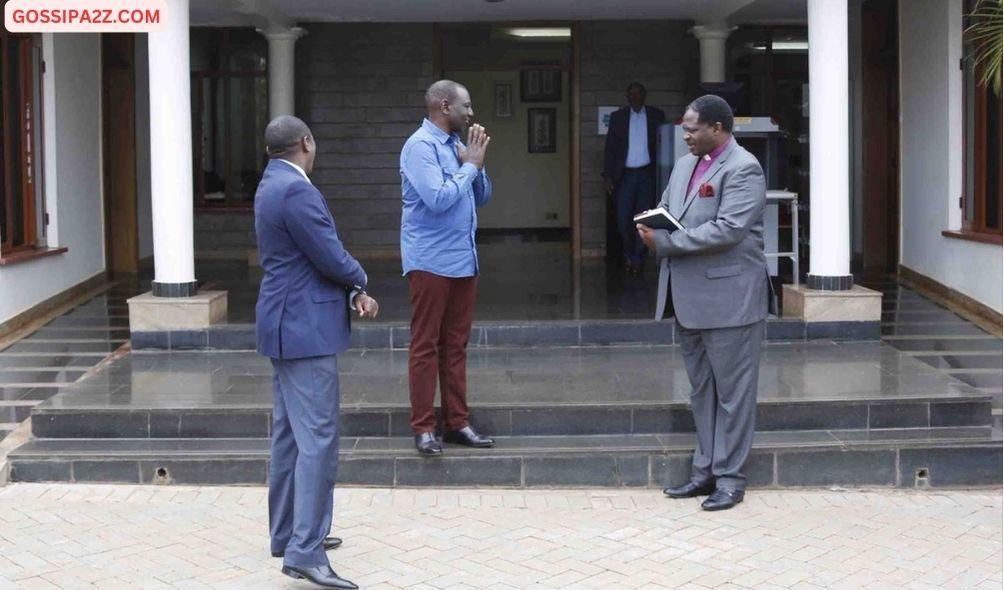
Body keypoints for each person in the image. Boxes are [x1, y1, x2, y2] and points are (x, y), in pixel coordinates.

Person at [255, 115, 379, 589]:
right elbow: (328, 255)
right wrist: (360, 280)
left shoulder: (272, 182)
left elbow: (306, 262)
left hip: (286, 323)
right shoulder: (297, 190)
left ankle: (287, 533)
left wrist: (348, 291)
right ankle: (305, 552)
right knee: (319, 439)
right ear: (306, 142)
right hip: (303, 330)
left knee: (288, 436)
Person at [637, 95, 774, 512]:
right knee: (702, 391)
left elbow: (728, 230)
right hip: (688, 299)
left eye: (693, 129)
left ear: (718, 128)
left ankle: (730, 480)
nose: (686, 136)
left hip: (730, 300)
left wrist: (665, 242)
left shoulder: (744, 168)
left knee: (733, 395)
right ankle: (704, 472)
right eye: (685, 129)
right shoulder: (683, 165)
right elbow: (668, 207)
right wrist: (653, 222)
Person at [399, 80, 495, 456]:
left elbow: (482, 197)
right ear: (444, 106)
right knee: (426, 345)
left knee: (456, 345)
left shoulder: (457, 145)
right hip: (430, 260)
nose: (470, 113)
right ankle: (423, 427)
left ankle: (458, 422)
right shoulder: (419, 147)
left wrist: (476, 165)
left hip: (462, 259)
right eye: (465, 106)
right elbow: (438, 199)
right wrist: (468, 167)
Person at [603, 81, 666, 276]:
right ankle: (629, 254)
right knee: (623, 220)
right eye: (631, 94)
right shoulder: (618, 117)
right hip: (625, 176)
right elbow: (610, 148)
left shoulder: (656, 116)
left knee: (644, 219)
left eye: (638, 93)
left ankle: (638, 259)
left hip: (647, 173)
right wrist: (607, 176)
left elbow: (663, 145)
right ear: (627, 97)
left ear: (644, 96)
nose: (634, 97)